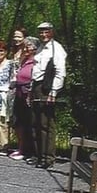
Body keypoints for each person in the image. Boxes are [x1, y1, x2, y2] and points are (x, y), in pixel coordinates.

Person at [32, 22, 67, 169]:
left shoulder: (57, 49)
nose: (43, 34)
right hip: (36, 86)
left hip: (47, 87)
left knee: (47, 124)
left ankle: (48, 158)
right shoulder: (39, 48)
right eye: (41, 32)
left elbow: (60, 72)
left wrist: (53, 92)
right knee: (36, 123)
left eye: (46, 32)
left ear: (52, 32)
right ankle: (39, 155)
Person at [9, 36, 41, 162]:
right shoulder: (24, 60)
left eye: (29, 46)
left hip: (28, 94)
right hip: (19, 93)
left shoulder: (37, 61)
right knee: (19, 122)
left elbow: (34, 78)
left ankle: (32, 152)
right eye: (25, 46)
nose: (26, 49)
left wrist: (30, 93)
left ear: (35, 48)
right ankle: (22, 148)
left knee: (30, 123)